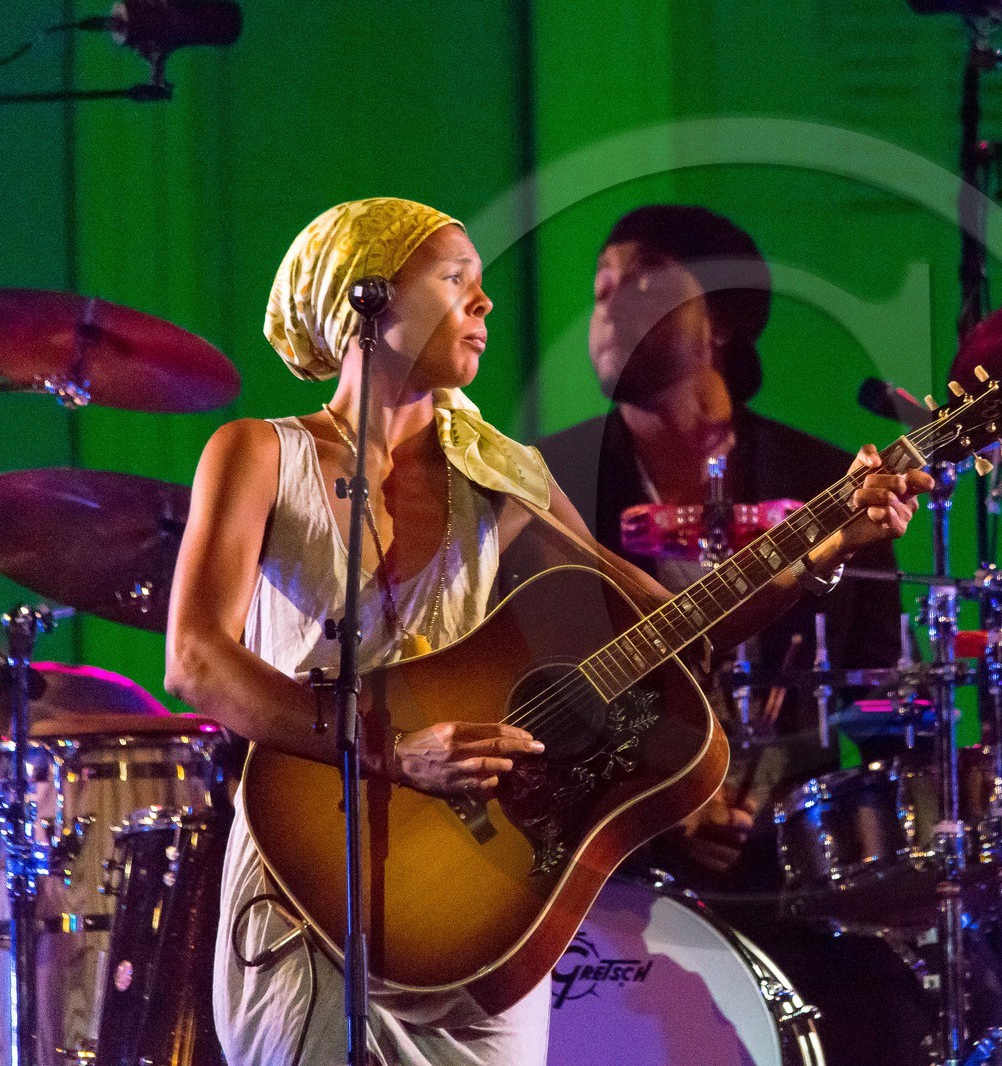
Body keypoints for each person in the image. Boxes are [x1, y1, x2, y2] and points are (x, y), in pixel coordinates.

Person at [163, 197, 931, 1065]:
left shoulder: (499, 474)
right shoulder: (259, 453)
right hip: (310, 881)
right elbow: (195, 661)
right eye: (456, 281)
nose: (485, 304)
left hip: (482, 906)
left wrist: (828, 547)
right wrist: (390, 748)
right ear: (364, 299)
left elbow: (667, 624)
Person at [533, 205, 907, 883]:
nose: (611, 307)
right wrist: (660, 804)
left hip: (798, 867)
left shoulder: (829, 483)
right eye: (601, 290)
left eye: (644, 280)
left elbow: (876, 691)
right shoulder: (545, 483)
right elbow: (528, 681)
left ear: (724, 317)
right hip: (606, 870)